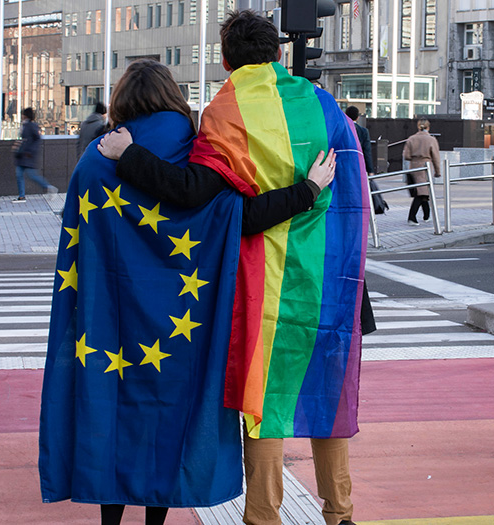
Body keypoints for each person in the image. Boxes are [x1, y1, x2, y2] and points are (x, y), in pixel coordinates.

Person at [100, 12, 370, 525]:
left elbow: (204, 201)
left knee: (262, 401)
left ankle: (264, 516)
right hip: (329, 284)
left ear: (225, 59)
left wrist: (131, 156)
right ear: (277, 53)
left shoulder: (225, 113)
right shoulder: (323, 103)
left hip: (263, 285)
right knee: (327, 394)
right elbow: (354, 193)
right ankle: (341, 515)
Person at [41, 58, 336, 525]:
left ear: (121, 101)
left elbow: (76, 245)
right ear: (172, 98)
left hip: (108, 325)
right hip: (183, 330)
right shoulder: (197, 155)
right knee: (167, 420)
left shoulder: (96, 158)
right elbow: (244, 216)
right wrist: (307, 191)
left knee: (110, 414)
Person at [345, 106, 387, 214]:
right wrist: (370, 170)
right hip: (359, 167)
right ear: (357, 117)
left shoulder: (342, 129)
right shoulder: (363, 131)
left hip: (343, 166)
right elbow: (367, 152)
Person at [13, 107, 57, 202]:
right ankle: (21, 196)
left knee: (31, 174)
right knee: (19, 173)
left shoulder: (31, 125)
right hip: (23, 155)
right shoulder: (26, 125)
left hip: (27, 155)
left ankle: (48, 187)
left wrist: (29, 151)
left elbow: (37, 139)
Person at [402, 119, 441, 225]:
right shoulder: (431, 139)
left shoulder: (411, 138)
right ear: (428, 127)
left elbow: (406, 155)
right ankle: (412, 217)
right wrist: (438, 171)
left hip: (414, 166)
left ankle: (426, 215)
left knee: (422, 192)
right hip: (425, 166)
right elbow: (436, 157)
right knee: (421, 193)